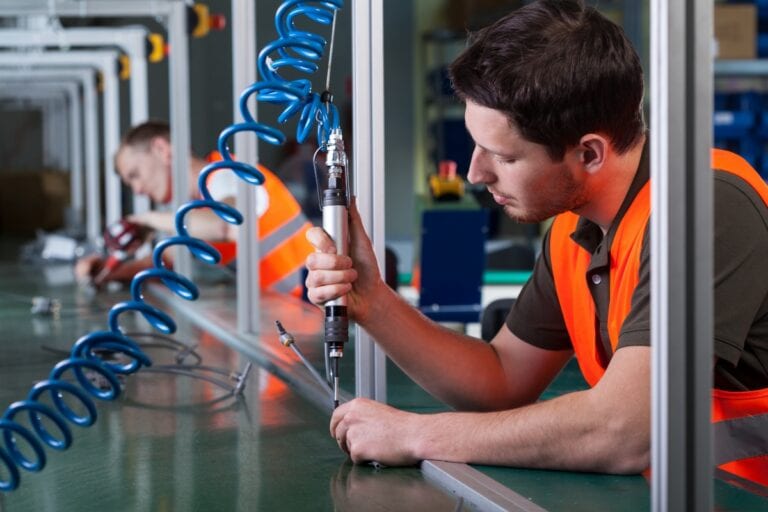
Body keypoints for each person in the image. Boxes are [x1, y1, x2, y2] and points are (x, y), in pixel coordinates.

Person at [305, 0, 768, 485]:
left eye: (502, 156)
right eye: (475, 145)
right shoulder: (576, 229)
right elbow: (502, 380)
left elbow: (625, 432)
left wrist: (416, 434)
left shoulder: (705, 207)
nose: (474, 173)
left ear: (588, 153)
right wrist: (373, 300)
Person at [75, 120, 314, 296]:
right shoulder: (197, 207)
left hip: (312, 299)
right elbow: (167, 259)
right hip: (291, 308)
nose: (137, 190)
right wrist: (109, 271)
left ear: (162, 150)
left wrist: (146, 219)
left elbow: (226, 225)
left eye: (135, 175)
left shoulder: (225, 172)